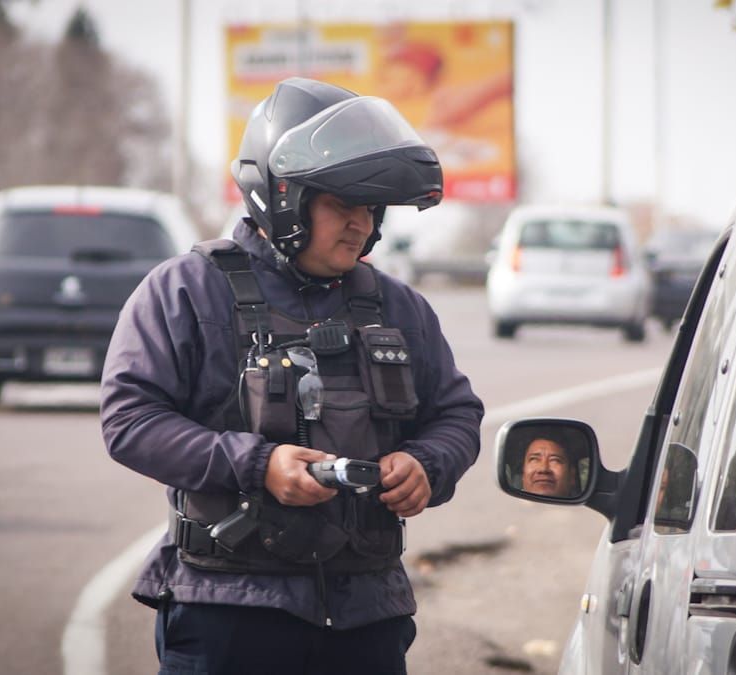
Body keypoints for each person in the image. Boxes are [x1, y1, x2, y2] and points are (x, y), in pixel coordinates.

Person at [100, 77, 484, 674]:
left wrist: (427, 465)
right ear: (280, 195)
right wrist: (257, 465)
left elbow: (457, 414)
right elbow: (129, 420)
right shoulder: (184, 290)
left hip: (368, 616)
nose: (360, 224)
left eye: (369, 207)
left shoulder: (399, 307)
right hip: (227, 612)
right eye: (341, 204)